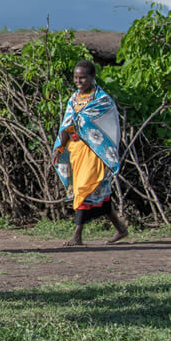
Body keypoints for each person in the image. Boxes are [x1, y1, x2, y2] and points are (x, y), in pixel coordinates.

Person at [51, 60, 127, 246]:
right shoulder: (73, 99)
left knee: (84, 189)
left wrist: (79, 123)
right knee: (99, 193)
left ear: (92, 78)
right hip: (76, 151)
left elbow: (106, 127)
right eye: (76, 78)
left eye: (83, 77)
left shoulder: (102, 100)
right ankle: (121, 228)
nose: (79, 81)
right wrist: (59, 148)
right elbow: (66, 124)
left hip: (94, 151)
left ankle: (77, 235)